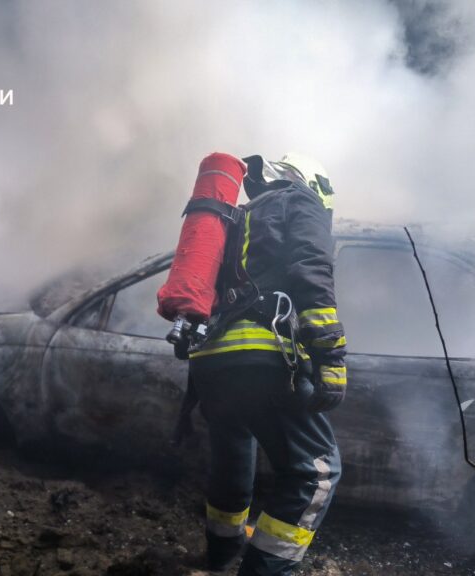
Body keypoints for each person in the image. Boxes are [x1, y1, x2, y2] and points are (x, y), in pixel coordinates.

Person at [188, 153, 347, 575]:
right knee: (316, 474)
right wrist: (331, 358)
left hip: (209, 362)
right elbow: (312, 272)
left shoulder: (235, 216)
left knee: (233, 457)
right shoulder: (300, 202)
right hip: (261, 360)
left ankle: (220, 557)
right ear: (314, 185)